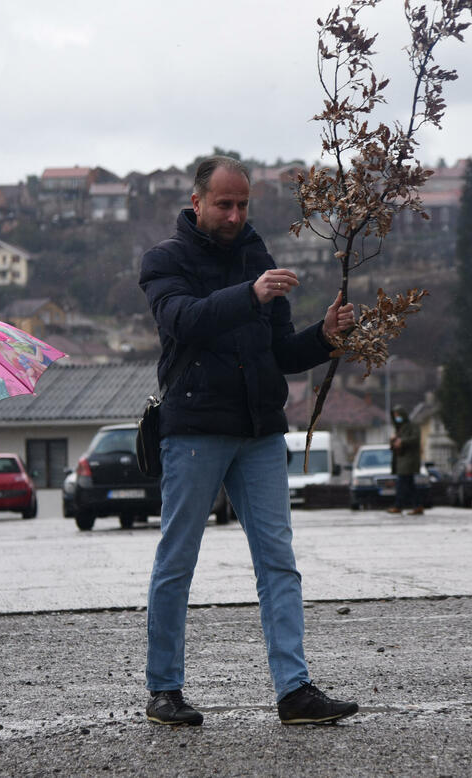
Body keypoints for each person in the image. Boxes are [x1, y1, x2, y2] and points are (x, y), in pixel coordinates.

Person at [138, 156, 359, 726]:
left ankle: (294, 691)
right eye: (224, 204)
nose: (235, 214)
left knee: (278, 562)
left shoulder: (259, 257)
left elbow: (282, 352)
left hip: (260, 431)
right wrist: (251, 294)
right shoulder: (164, 260)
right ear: (197, 202)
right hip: (193, 429)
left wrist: (325, 337)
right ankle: (164, 690)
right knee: (176, 561)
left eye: (242, 205)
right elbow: (184, 320)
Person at [388, 405, 424, 515]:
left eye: (397, 415)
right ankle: (416, 506)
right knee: (409, 485)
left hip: (408, 461)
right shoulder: (398, 429)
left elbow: (415, 439)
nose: (396, 417)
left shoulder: (411, 426)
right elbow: (394, 445)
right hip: (401, 460)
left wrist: (402, 441)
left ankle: (399, 506)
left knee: (402, 484)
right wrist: (393, 440)